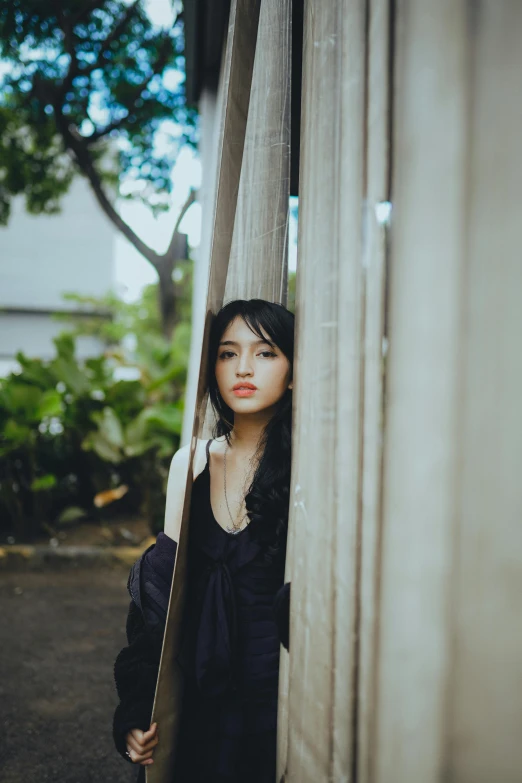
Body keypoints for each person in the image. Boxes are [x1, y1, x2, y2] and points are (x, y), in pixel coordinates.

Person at [112, 298, 293, 783]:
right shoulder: (188, 463)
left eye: (266, 353)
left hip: (277, 711)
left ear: (294, 373)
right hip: (197, 703)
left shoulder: (305, 471)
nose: (244, 368)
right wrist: (136, 707)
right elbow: (158, 602)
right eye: (228, 353)